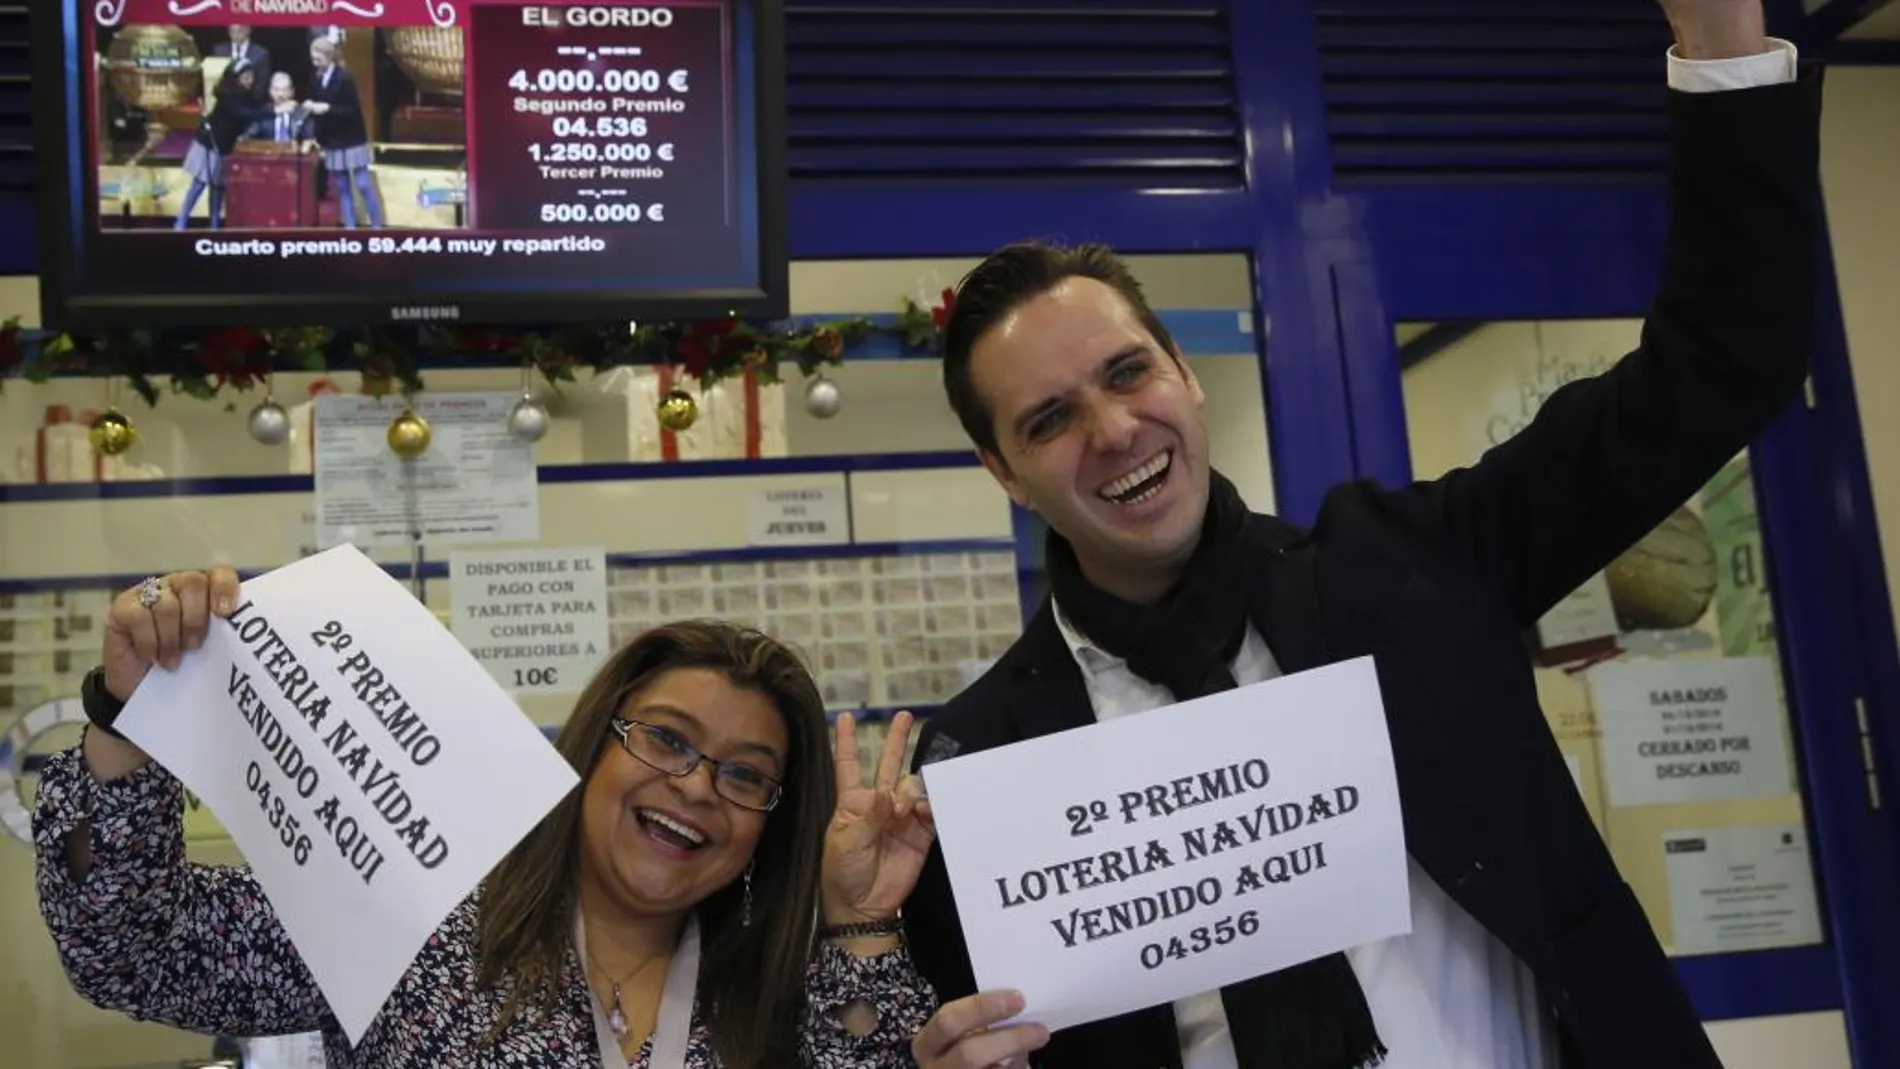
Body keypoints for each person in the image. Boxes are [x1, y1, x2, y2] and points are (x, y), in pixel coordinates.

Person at [900, 3, 1821, 1068]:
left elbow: (1722, 363)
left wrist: (1720, 40)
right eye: (1048, 420)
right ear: (1002, 472)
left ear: (1185, 374)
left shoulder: (1420, 563)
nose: (1111, 432)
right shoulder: (982, 768)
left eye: (1127, 373)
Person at [35, 566, 940, 1068]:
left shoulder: (781, 984)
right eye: (667, 739)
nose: (699, 785)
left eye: (746, 774)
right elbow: (131, 949)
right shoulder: (415, 916)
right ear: (593, 752)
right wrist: (131, 716)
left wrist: (860, 919)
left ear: (766, 826)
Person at [302, 36, 383, 229]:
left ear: (329, 57)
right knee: (343, 187)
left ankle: (377, 226)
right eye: (313, 59)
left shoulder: (344, 77)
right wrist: (311, 107)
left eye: (318, 59)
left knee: (363, 184)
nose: (315, 63)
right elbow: (316, 105)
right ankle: (350, 229)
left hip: (352, 138)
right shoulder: (315, 78)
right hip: (333, 140)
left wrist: (327, 108)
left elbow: (352, 110)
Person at [173, 64, 265, 231]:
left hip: (225, 148)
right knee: (199, 184)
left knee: (218, 188)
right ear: (235, 77)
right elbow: (246, 114)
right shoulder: (228, 97)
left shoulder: (249, 96)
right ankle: (181, 222)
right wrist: (273, 111)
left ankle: (214, 226)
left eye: (251, 76)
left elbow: (253, 113)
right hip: (209, 144)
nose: (249, 80)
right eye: (245, 76)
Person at [245, 71, 315, 147]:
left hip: (294, 156)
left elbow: (310, 138)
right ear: (270, 91)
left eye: (285, 90)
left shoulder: (302, 113)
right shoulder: (263, 113)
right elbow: (247, 138)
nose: (280, 94)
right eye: (276, 89)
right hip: (268, 155)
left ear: (292, 92)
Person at [212, 24, 271, 100]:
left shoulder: (261, 54)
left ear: (248, 30)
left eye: (240, 31)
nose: (236, 35)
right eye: (232, 31)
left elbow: (262, 84)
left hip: (251, 103)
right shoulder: (219, 51)